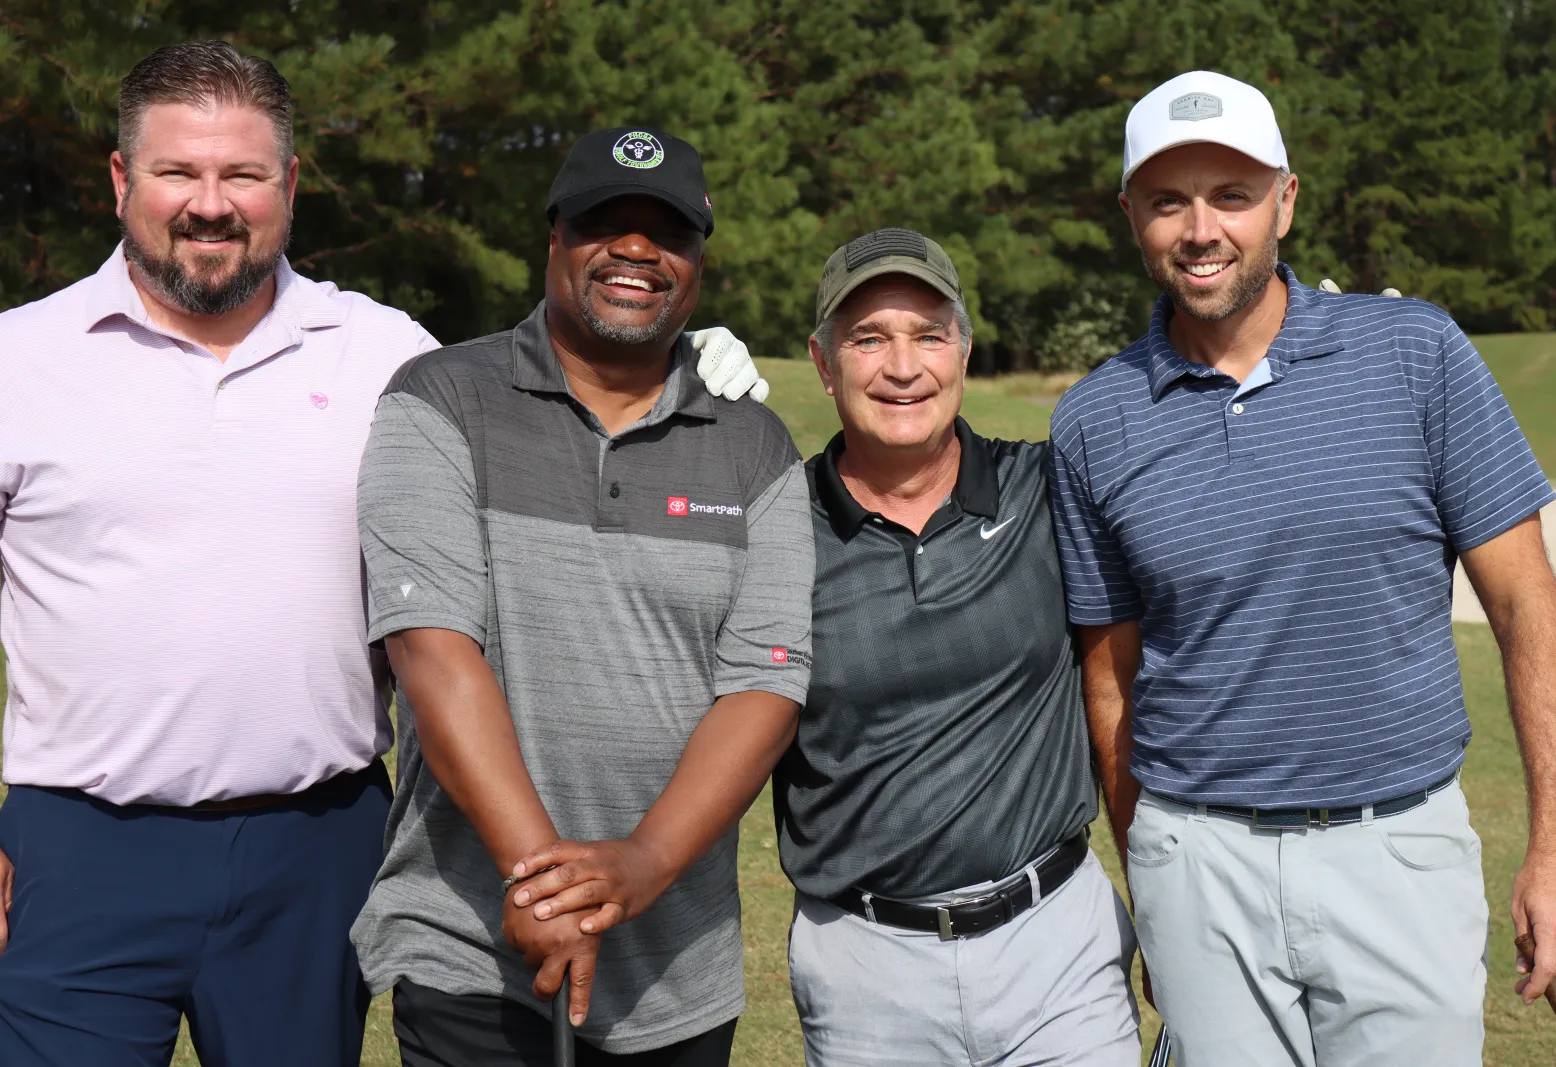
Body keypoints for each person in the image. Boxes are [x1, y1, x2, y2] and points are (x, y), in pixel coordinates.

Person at [0, 42, 763, 1067]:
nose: (211, 204)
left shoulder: (385, 353)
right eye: (180, 172)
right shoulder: (22, 359)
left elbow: (539, 392)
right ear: (122, 179)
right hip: (80, 842)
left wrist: (674, 364)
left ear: (291, 186)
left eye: (244, 175)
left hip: (317, 845)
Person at [1049, 70, 1556, 1066]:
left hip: (1396, 849)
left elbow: (1523, 604)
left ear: (1285, 202)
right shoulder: (1092, 420)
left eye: (1231, 195)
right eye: (1168, 200)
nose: (1200, 228)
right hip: (1195, 859)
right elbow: (1109, 681)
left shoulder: (1416, 352)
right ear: (1131, 216)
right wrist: (1149, 879)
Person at [351, 126, 814, 1067]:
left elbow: (766, 681)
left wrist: (642, 863)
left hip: (678, 965)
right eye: (606, 220)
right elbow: (435, 653)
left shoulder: (757, 445)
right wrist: (542, 884)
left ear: (696, 261)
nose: (637, 249)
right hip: (471, 944)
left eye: (667, 230)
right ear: (555, 236)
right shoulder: (440, 400)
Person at [778, 228, 1141, 1065]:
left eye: (928, 335)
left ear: (965, 352)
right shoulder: (775, 526)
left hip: (1057, 949)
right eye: (868, 339)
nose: (902, 367)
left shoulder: (1047, 489)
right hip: (864, 964)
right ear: (824, 361)